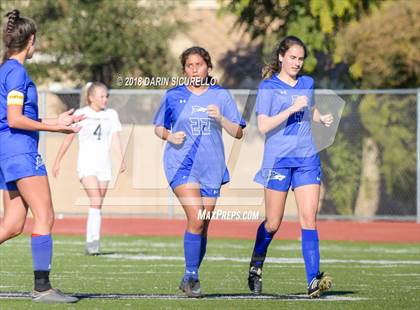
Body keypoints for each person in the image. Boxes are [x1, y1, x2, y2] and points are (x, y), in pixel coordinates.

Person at [0, 9, 81, 303]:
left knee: (11, 225)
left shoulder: (6, 70)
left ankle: (43, 287)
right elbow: (14, 119)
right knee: (45, 215)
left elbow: (19, 115)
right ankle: (43, 288)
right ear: (30, 41)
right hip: (20, 151)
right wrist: (54, 127)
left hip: (8, 152)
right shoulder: (16, 72)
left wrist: (56, 121)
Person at [153, 46, 245, 297]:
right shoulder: (173, 95)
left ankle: (188, 275)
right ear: (184, 70)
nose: (194, 70)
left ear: (208, 68)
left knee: (203, 223)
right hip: (180, 164)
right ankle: (192, 277)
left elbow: (238, 131)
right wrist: (170, 136)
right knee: (196, 218)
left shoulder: (220, 96)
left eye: (199, 65)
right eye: (189, 66)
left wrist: (221, 120)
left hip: (211, 167)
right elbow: (158, 127)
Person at [248, 36, 334, 298]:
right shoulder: (268, 88)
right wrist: (290, 109)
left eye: (301, 59)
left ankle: (312, 282)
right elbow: (263, 126)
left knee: (309, 219)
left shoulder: (307, 83)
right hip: (278, 161)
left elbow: (310, 108)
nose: (297, 63)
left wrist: (321, 117)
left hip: (307, 159)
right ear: (282, 57)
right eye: (293, 58)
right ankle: (256, 264)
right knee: (273, 223)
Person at [52, 82, 126, 255]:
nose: (105, 99)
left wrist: (121, 159)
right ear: (91, 97)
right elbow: (68, 138)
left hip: (104, 165)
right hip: (87, 164)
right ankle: (92, 242)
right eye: (101, 96)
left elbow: (115, 139)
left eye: (106, 96)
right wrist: (57, 161)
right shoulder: (81, 114)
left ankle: (93, 241)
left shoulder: (112, 114)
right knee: (95, 199)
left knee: (97, 204)